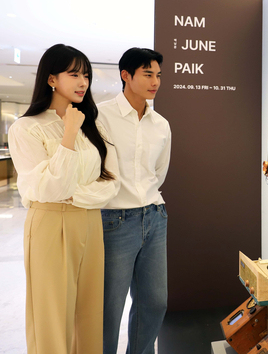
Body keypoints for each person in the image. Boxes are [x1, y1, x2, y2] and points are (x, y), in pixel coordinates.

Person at [8, 43, 120, 354]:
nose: (83, 82)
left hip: (89, 221)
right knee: (51, 315)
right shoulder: (25, 128)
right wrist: (69, 132)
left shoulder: (94, 126)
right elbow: (47, 189)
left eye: (86, 75)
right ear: (51, 79)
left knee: (88, 312)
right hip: (49, 223)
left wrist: (76, 196)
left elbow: (111, 182)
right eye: (74, 74)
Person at [97, 48, 171, 354]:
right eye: (148, 74)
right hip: (114, 219)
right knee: (108, 307)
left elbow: (159, 172)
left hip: (154, 215)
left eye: (158, 75)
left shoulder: (161, 124)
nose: (155, 82)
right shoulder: (101, 115)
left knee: (155, 301)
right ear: (126, 75)